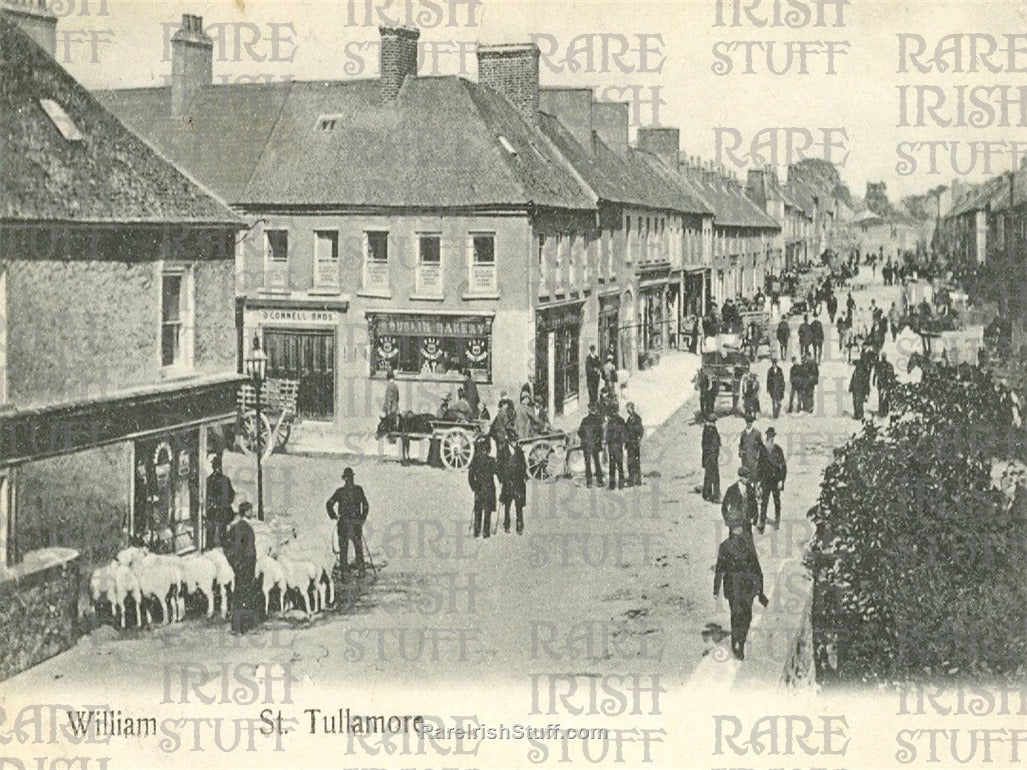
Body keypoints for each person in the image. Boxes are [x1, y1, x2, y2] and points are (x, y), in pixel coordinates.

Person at [715, 522, 768, 660]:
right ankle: (736, 643)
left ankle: (741, 641)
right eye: (735, 529)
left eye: (740, 528)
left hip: (747, 587)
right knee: (736, 615)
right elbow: (719, 569)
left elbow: (756, 566)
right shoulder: (725, 547)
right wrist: (716, 589)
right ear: (731, 530)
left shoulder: (748, 545)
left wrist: (760, 590)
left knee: (747, 616)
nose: (738, 531)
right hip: (733, 587)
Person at [326, 466, 370, 580]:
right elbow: (366, 506)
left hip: (344, 525)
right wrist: (361, 519)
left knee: (343, 552)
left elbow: (329, 503)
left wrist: (334, 516)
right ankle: (361, 572)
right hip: (355, 525)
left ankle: (345, 574)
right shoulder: (358, 490)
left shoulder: (340, 492)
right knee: (358, 550)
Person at [224, 501, 258, 634]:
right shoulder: (245, 528)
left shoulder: (236, 527)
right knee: (245, 595)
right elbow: (245, 549)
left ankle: (238, 626)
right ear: (247, 512)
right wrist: (243, 563)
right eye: (250, 510)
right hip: (246, 566)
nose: (251, 512)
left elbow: (229, 547)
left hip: (240, 566)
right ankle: (243, 627)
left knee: (239, 594)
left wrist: (234, 562)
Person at [757, 427, 787, 532]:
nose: (770, 439)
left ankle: (777, 520)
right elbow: (759, 466)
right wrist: (759, 481)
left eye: (771, 437)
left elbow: (783, 467)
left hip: (775, 480)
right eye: (768, 436)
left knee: (776, 501)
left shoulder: (778, 450)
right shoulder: (763, 450)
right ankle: (762, 523)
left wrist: (781, 481)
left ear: (774, 437)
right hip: (766, 480)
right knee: (764, 502)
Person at [467, 438, 499, 538]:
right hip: (489, 488)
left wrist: (474, 487)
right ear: (488, 450)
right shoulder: (491, 460)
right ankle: (486, 533)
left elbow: (470, 476)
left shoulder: (475, 460)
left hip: (479, 488)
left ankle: (476, 532)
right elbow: (498, 473)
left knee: (478, 510)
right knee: (487, 511)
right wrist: (503, 482)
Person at [498, 434, 527, 534]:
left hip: (518, 482)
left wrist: (524, 475)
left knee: (519, 506)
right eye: (513, 441)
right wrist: (502, 480)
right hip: (507, 483)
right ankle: (507, 525)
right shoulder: (503, 452)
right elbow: (499, 467)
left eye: (516, 441)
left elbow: (524, 465)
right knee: (507, 506)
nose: (515, 443)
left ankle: (520, 526)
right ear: (509, 441)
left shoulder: (519, 451)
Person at [205, 454, 235, 548]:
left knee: (211, 531)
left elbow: (207, 496)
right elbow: (232, 495)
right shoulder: (225, 480)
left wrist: (213, 504)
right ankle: (222, 546)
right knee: (223, 531)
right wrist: (226, 502)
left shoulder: (209, 480)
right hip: (224, 511)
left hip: (214, 511)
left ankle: (211, 547)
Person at [722, 466, 758, 533]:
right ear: (740, 477)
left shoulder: (750, 489)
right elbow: (724, 507)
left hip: (747, 524)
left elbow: (754, 504)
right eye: (746, 477)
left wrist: (754, 518)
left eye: (748, 477)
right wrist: (730, 522)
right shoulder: (732, 489)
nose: (747, 479)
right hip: (735, 525)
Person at [578, 402, 605, 489]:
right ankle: (599, 481)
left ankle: (589, 483)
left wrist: (584, 439)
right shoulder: (598, 420)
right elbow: (601, 434)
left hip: (586, 445)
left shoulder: (584, 420)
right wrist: (598, 441)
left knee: (587, 464)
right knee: (597, 463)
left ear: (589, 410)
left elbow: (580, 432)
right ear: (595, 410)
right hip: (595, 445)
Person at [606, 405, 627, 490]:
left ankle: (612, 485)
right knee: (619, 465)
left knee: (612, 465)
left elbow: (608, 435)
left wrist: (608, 442)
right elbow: (624, 433)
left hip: (612, 446)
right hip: (618, 446)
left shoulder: (611, 422)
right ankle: (621, 485)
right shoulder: (621, 421)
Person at [701, 415, 721, 503]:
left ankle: (707, 494)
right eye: (714, 421)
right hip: (712, 458)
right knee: (715, 476)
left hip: (707, 457)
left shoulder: (706, 430)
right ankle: (715, 495)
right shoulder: (712, 430)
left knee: (708, 475)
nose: (714, 423)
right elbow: (715, 444)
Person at [625, 402, 644, 487]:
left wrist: (639, 438)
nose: (626, 410)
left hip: (634, 442)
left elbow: (640, 429)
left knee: (634, 462)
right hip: (630, 443)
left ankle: (635, 480)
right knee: (632, 462)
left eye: (627, 408)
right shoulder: (630, 418)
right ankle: (634, 480)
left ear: (631, 408)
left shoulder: (636, 418)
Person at [874, 352, 896, 417]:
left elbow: (892, 374)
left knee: (885, 397)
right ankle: (881, 411)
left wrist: (892, 381)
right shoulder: (880, 364)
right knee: (881, 397)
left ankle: (884, 411)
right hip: (881, 383)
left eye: (884, 357)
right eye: (883, 357)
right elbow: (875, 373)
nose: (883, 358)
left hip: (886, 383)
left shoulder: (888, 365)